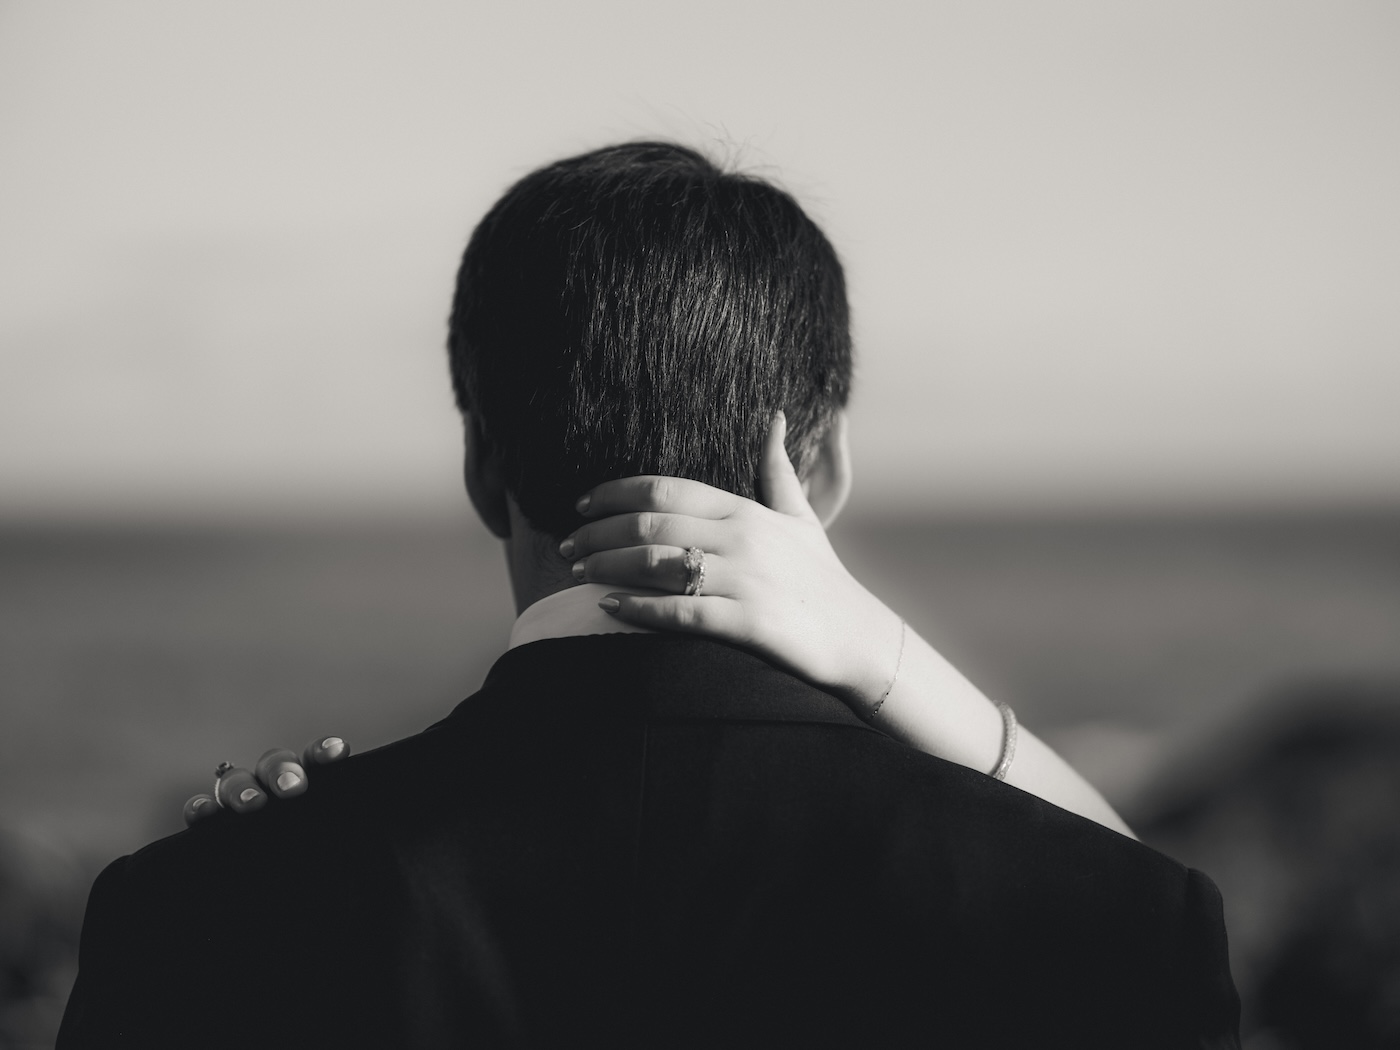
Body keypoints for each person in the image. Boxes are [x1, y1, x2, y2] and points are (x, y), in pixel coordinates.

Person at [59, 141, 1241, 1048]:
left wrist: (253, 878)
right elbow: (1125, 895)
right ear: (819, 463)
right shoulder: (1111, 919)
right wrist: (884, 657)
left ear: (482, 468)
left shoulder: (198, 913)